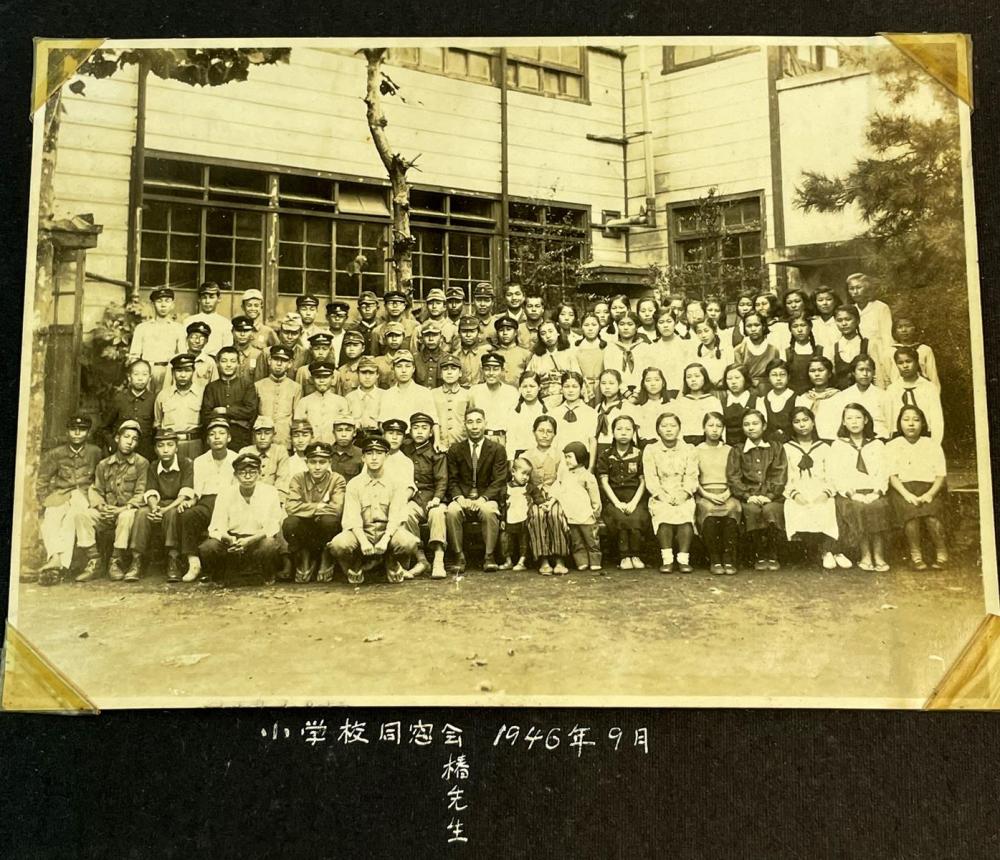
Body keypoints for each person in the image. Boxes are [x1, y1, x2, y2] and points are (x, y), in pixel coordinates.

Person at [329, 433, 421, 585]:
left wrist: (385, 540)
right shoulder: (354, 484)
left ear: (386, 457)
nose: (374, 458)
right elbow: (353, 519)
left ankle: (390, 561)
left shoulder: (396, 483)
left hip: (388, 533)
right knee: (338, 544)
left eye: (379, 453)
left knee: (408, 542)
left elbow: (396, 518)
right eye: (369, 453)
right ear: (363, 458)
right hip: (362, 533)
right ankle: (355, 562)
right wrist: (364, 542)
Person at [36, 415, 103, 585]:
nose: (77, 433)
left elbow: (101, 477)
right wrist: (45, 501)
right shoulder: (56, 454)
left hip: (84, 495)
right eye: (73, 429)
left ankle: (58, 566)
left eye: (82, 430)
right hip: (62, 494)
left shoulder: (95, 452)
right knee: (50, 517)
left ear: (88, 433)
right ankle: (56, 558)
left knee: (71, 519)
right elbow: (42, 480)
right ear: (67, 431)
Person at [79, 420, 149, 583]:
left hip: (127, 510)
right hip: (107, 510)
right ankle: (94, 560)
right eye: (126, 437)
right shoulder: (104, 464)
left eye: (134, 439)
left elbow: (141, 492)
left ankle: (115, 561)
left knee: (126, 516)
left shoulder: (141, 463)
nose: (129, 442)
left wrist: (122, 509)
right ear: (117, 438)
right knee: (82, 515)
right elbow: (96, 489)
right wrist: (102, 507)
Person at [199, 452, 284, 585]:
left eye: (252, 472)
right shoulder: (225, 493)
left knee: (270, 545)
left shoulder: (270, 492)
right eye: (242, 472)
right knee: (208, 547)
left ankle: (267, 575)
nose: (248, 477)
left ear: (259, 473)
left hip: (257, 539)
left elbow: (272, 526)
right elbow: (216, 527)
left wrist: (250, 540)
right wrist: (229, 539)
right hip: (232, 541)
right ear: (235, 475)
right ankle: (218, 577)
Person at [783, 407, 849, 571]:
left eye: (805, 420)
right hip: (798, 489)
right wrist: (795, 494)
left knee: (827, 505)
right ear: (792, 425)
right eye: (797, 422)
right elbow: (785, 476)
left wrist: (825, 493)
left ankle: (830, 549)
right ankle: (816, 552)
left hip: (821, 488)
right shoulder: (787, 448)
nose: (802, 425)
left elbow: (832, 474)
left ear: (813, 423)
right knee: (795, 507)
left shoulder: (825, 448)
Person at [829, 403, 892, 572]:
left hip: (873, 492)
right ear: (843, 422)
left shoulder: (877, 445)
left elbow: (884, 472)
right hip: (850, 494)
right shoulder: (838, 446)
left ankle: (878, 554)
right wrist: (852, 493)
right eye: (849, 418)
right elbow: (835, 475)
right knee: (858, 508)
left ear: (865, 420)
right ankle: (865, 554)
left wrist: (877, 492)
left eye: (858, 417)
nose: (854, 422)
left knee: (877, 507)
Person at [445, 408, 508, 573]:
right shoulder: (455, 449)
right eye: (470, 422)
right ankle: (459, 555)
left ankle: (489, 556)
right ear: (465, 425)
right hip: (463, 497)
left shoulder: (497, 449)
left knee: (489, 511)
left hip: (486, 497)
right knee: (452, 511)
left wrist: (483, 499)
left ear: (485, 423)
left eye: (478, 421)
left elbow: (499, 480)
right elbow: (452, 480)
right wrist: (459, 498)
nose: (474, 426)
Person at [887, 405, 949, 570]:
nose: (911, 424)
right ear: (899, 423)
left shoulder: (932, 445)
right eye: (906, 420)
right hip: (903, 489)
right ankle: (916, 554)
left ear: (923, 423)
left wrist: (930, 494)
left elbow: (940, 475)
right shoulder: (893, 445)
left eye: (916, 420)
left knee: (932, 517)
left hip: (930, 488)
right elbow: (892, 476)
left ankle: (941, 551)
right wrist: (907, 494)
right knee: (911, 515)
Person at [129, 428, 195, 582]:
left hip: (176, 504)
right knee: (141, 513)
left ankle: (173, 559)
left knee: (172, 514)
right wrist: (154, 509)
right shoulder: (153, 466)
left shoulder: (186, 464)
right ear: (155, 449)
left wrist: (164, 510)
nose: (165, 450)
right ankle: (136, 560)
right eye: (161, 445)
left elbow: (185, 493)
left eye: (170, 445)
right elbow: (151, 491)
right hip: (159, 504)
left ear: (176, 447)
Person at [726, 410, 788, 572]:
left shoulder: (776, 448)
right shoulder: (737, 450)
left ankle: (772, 553)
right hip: (749, 496)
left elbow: (779, 474)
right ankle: (759, 554)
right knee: (752, 511)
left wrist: (770, 495)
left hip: (772, 497)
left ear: (764, 426)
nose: (751, 428)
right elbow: (734, 478)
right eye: (746, 424)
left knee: (771, 510)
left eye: (755, 424)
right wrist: (747, 495)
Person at [178, 417, 237, 583]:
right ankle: (193, 562)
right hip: (207, 502)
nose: (217, 437)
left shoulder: (236, 458)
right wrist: (190, 501)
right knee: (188, 515)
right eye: (212, 434)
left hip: (229, 502)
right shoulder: (200, 461)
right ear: (207, 440)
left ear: (229, 438)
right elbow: (197, 491)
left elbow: (238, 489)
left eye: (221, 433)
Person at [282, 441, 347, 583]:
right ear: (306, 462)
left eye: (322, 462)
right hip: (305, 530)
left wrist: (304, 508)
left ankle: (326, 557)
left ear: (329, 462)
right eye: (313, 462)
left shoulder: (337, 479)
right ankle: (303, 557)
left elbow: (336, 509)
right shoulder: (298, 479)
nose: (317, 467)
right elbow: (291, 507)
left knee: (329, 520)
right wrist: (318, 507)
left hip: (325, 529)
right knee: (290, 523)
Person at [643, 412, 698, 574]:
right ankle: (667, 559)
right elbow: (651, 477)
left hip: (683, 493)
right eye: (664, 426)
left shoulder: (689, 449)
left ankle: (683, 559)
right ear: (658, 430)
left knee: (685, 513)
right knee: (664, 513)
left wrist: (684, 493)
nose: (668, 430)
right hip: (661, 494)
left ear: (679, 428)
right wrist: (663, 495)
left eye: (673, 426)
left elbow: (692, 475)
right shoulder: (651, 450)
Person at [596, 414, 648, 570]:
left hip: (635, 497)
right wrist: (617, 503)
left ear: (633, 432)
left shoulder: (639, 454)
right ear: (613, 432)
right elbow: (604, 482)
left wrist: (633, 503)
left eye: (628, 429)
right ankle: (624, 556)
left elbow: (643, 481)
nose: (623, 432)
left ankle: (636, 554)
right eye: (619, 429)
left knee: (636, 516)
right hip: (614, 498)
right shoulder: (605, 455)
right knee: (619, 517)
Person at [401, 411, 449, 579]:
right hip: (414, 498)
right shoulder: (405, 449)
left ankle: (438, 558)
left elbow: (442, 480)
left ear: (431, 432)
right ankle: (420, 559)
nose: (419, 432)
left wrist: (436, 499)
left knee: (437, 513)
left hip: (433, 497)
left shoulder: (437, 452)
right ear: (410, 432)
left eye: (424, 428)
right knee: (405, 513)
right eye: (415, 428)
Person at [523, 414, 571, 576]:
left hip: (555, 496)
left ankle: (559, 558)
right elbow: (523, 481)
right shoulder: (525, 456)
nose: (544, 435)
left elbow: (563, 480)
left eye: (549, 432)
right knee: (536, 515)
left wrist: (551, 499)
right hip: (532, 498)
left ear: (554, 435)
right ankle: (543, 558)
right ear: (533, 432)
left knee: (556, 514)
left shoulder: (560, 456)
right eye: (540, 431)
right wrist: (536, 497)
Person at [695, 412, 742, 575]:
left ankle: (728, 558)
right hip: (705, 493)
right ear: (703, 428)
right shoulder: (696, 450)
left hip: (728, 492)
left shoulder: (730, 450)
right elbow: (693, 478)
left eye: (719, 426)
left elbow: (736, 475)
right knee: (708, 511)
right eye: (710, 425)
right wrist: (707, 495)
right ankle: (714, 559)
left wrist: (728, 492)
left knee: (732, 509)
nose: (714, 430)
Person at [551, 441, 602, 571]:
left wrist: (595, 513)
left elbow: (595, 498)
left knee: (591, 540)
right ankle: (582, 561)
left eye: (569, 457)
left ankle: (595, 561)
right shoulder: (565, 475)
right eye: (565, 457)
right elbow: (560, 491)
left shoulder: (587, 476)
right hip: (572, 515)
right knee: (577, 541)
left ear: (579, 456)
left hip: (586, 516)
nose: (567, 460)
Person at [200, 346, 259, 451]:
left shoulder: (247, 385)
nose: (228, 365)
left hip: (241, 437)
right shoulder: (211, 387)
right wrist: (236, 418)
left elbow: (250, 411)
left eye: (232, 361)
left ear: (238, 363)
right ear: (218, 363)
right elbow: (206, 414)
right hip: (217, 438)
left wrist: (225, 410)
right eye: (224, 361)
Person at [379, 350, 441, 449]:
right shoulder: (387, 394)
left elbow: (434, 421)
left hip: (417, 443)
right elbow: (382, 424)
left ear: (413, 369)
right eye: (399, 367)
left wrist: (437, 441)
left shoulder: (424, 393)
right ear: (393, 369)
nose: (403, 371)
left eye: (407, 366)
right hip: (394, 443)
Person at [128, 287, 185, 392]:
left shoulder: (179, 328)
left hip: (168, 371)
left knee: (166, 403)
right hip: (147, 371)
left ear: (172, 305)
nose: (163, 305)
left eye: (167, 301)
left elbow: (182, 355)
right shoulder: (142, 328)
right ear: (152, 304)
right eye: (159, 301)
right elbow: (134, 357)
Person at [885, 347, 945, 440]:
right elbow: (889, 419)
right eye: (900, 363)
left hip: (925, 436)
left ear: (917, 363)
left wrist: (935, 443)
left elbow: (937, 420)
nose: (905, 366)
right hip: (899, 438)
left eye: (908, 361)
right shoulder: (892, 390)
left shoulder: (929, 388)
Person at [103, 359, 156, 461]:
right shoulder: (119, 399)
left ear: (150, 378)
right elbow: (104, 428)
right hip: (120, 455)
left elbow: (156, 430)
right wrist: (113, 445)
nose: (140, 378)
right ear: (129, 377)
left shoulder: (154, 400)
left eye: (144, 374)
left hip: (145, 455)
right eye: (136, 374)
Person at [154, 353, 205, 460]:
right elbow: (157, 424)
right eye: (179, 371)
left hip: (194, 444)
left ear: (193, 371)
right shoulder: (163, 395)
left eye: (187, 371)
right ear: (173, 372)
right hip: (169, 445)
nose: (183, 375)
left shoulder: (202, 394)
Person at [831, 305, 891, 390]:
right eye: (839, 320)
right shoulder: (833, 347)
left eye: (848, 319)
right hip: (842, 396)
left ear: (857, 321)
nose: (844, 324)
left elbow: (878, 374)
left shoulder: (868, 344)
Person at [255, 344, 302, 449]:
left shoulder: (295, 387)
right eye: (276, 359)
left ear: (289, 364)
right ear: (269, 361)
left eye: (284, 360)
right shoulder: (258, 385)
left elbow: (296, 418)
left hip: (285, 440)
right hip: (262, 439)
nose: (279, 364)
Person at [469, 352, 519, 449]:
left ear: (502, 371)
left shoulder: (512, 392)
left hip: (503, 440)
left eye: (496, 369)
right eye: (487, 369)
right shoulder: (474, 391)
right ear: (482, 370)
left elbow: (514, 424)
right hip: (479, 439)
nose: (491, 373)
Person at [835, 354, 892, 440]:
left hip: (879, 438)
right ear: (853, 372)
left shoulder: (883, 395)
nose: (865, 374)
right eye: (861, 370)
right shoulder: (844, 396)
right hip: (852, 440)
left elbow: (890, 423)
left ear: (873, 372)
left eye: (868, 370)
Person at [528, 320, 582, 409]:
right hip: (543, 400)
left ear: (558, 333)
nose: (548, 336)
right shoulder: (536, 357)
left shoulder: (569, 354)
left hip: (566, 398)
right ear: (540, 338)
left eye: (551, 331)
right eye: (543, 333)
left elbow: (578, 378)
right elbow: (529, 379)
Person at [294, 361, 350, 445]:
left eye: (326, 377)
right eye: (318, 377)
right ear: (312, 379)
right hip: (310, 447)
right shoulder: (304, 402)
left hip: (333, 447)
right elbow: (298, 428)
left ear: (332, 378)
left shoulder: (341, 401)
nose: (322, 380)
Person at [636, 307, 691, 387]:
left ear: (675, 323)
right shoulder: (651, 349)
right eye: (661, 322)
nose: (665, 325)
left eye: (669, 321)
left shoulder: (686, 346)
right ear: (656, 325)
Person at [241, 415, 291, 502]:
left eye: (267, 433)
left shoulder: (280, 451)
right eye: (258, 433)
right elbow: (240, 481)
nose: (263, 438)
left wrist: (277, 502)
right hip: (249, 500)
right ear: (253, 435)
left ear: (273, 435)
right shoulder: (245, 452)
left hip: (272, 500)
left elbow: (282, 482)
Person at [671, 362, 722, 445]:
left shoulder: (713, 401)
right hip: (684, 443)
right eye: (689, 377)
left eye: (697, 376)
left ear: (704, 378)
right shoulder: (680, 402)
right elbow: (675, 426)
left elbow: (720, 425)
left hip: (707, 442)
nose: (693, 380)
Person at [591, 369, 632, 468]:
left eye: (611, 383)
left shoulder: (626, 407)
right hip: (600, 450)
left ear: (619, 385)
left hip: (619, 449)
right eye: (603, 383)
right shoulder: (598, 408)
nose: (607, 387)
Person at [795, 357, 842, 441]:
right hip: (808, 442)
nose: (817, 374)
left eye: (821, 370)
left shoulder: (839, 397)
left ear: (829, 374)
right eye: (812, 371)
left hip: (832, 441)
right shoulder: (802, 398)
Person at [500, 457, 534, 571]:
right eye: (523, 473)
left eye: (528, 475)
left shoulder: (528, 487)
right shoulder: (506, 488)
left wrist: (542, 503)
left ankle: (521, 561)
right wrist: (502, 520)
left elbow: (537, 495)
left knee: (524, 540)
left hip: (523, 519)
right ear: (513, 472)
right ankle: (508, 561)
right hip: (510, 518)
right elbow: (502, 504)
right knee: (505, 540)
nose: (525, 477)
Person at [734, 312, 780, 395]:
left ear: (763, 326)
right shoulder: (739, 350)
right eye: (749, 326)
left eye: (756, 325)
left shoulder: (773, 349)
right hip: (747, 390)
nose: (753, 329)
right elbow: (739, 373)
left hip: (769, 390)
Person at [505, 371, 548, 459]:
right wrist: (510, 459)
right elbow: (510, 439)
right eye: (525, 386)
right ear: (520, 389)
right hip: (520, 456)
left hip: (541, 455)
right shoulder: (514, 411)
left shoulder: (546, 411)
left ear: (539, 387)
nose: (528, 390)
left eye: (532, 386)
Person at [846, 272, 893, 352]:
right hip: (856, 351)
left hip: (878, 351)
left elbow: (887, 335)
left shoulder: (880, 308)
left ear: (867, 288)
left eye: (859, 287)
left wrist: (887, 354)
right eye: (852, 288)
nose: (855, 292)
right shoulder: (851, 309)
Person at [432, 354, 471, 449]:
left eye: (453, 369)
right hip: (439, 445)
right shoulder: (433, 394)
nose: (449, 373)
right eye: (445, 369)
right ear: (440, 374)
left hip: (462, 445)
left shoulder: (467, 394)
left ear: (460, 373)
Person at [184, 281, 233, 357]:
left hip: (216, 363)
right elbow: (184, 346)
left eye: (211, 297)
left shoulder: (226, 323)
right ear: (199, 299)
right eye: (204, 298)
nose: (207, 301)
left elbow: (227, 348)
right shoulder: (189, 321)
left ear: (219, 299)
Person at [889, 316, 939, 389]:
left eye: (908, 326)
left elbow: (933, 376)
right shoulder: (889, 352)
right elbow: (884, 378)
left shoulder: (925, 350)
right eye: (899, 327)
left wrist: (934, 394)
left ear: (915, 328)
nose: (904, 330)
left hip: (922, 391)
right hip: (897, 392)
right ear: (895, 331)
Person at [255, 314, 308, 381]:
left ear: (301, 334)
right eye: (286, 332)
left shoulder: (305, 354)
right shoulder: (267, 353)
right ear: (280, 331)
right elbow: (258, 382)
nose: (289, 337)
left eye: (294, 333)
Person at [603, 312, 644, 396]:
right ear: (617, 326)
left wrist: (636, 394)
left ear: (636, 327)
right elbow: (611, 375)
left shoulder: (644, 348)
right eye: (621, 324)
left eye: (630, 324)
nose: (625, 328)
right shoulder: (610, 349)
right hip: (618, 394)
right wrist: (626, 393)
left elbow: (646, 375)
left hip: (641, 393)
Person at [631, 367, 676, 446]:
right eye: (648, 380)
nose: (653, 384)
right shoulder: (638, 407)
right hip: (646, 446)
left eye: (657, 379)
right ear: (643, 384)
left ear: (663, 383)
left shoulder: (673, 404)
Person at [784, 316, 828, 396]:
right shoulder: (787, 352)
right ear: (790, 330)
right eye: (795, 326)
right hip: (793, 395)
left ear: (810, 327)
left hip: (816, 394)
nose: (799, 330)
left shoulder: (820, 350)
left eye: (803, 325)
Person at [756, 359, 796, 444]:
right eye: (774, 375)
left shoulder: (797, 399)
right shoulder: (762, 401)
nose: (778, 378)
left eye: (782, 375)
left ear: (788, 377)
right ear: (768, 378)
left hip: (792, 445)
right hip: (770, 447)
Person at [345, 356, 385, 436]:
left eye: (371, 373)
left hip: (379, 439)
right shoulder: (349, 398)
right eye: (363, 373)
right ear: (357, 374)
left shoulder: (385, 396)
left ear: (377, 375)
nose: (367, 377)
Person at [691, 319, 734, 390]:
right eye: (699, 332)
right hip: (705, 390)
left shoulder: (727, 349)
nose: (703, 335)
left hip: (725, 389)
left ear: (714, 331)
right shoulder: (696, 353)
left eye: (706, 331)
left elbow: (731, 371)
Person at [718, 364, 754, 447]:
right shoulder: (721, 403)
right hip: (727, 447)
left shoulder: (756, 400)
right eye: (729, 379)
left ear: (745, 379)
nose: (733, 382)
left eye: (737, 378)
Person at [491, 316, 532, 386]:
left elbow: (530, 378)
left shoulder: (526, 354)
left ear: (516, 332)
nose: (504, 333)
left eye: (509, 329)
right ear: (497, 333)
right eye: (501, 330)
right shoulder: (493, 355)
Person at [574, 312, 606, 403]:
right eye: (586, 325)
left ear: (599, 327)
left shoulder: (605, 347)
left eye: (594, 325)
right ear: (581, 327)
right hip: (583, 386)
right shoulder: (576, 348)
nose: (590, 328)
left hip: (601, 386)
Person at [414, 287, 457, 352]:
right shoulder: (419, 329)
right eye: (431, 303)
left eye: (438, 303)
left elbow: (457, 354)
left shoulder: (453, 329)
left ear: (444, 307)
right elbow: (414, 354)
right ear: (427, 306)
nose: (434, 306)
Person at [295, 332, 336, 396]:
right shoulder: (302, 371)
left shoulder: (336, 373)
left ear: (330, 350)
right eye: (316, 349)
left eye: (324, 349)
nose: (320, 353)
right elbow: (298, 395)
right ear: (311, 350)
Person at [453, 316, 489, 387]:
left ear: (478, 333)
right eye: (464, 331)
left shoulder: (486, 355)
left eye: (472, 331)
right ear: (459, 333)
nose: (468, 335)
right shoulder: (455, 357)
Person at [412, 320, 449, 389]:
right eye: (427, 335)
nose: (431, 339)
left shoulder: (447, 358)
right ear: (421, 339)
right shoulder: (415, 359)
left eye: (435, 335)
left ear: (441, 338)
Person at [329, 415, 363, 483]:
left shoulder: (361, 455)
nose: (343, 434)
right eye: (339, 430)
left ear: (354, 433)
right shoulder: (326, 453)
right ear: (333, 433)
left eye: (348, 430)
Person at [374, 322, 409, 388]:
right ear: (385, 338)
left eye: (398, 336)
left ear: (403, 337)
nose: (394, 339)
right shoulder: (377, 362)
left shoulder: (409, 360)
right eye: (390, 336)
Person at [230, 315, 264, 385]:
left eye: (246, 331)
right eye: (238, 330)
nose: (242, 334)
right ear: (232, 332)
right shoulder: (226, 354)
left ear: (252, 332)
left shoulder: (259, 355)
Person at [348, 290, 381, 355]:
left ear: (377, 308)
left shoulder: (382, 330)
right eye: (363, 306)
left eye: (371, 306)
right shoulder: (352, 331)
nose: (367, 309)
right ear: (359, 309)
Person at [811, 286, 842, 351]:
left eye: (829, 299)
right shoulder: (812, 322)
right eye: (820, 300)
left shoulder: (841, 321)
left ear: (835, 301)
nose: (825, 303)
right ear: (815, 303)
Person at [323, 300, 350, 366]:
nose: (337, 319)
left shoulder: (349, 336)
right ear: (327, 317)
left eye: (341, 316)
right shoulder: (322, 335)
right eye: (333, 316)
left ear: (346, 318)